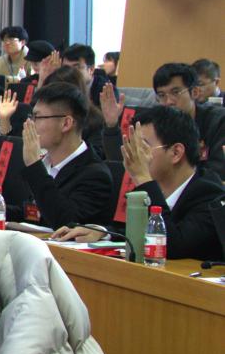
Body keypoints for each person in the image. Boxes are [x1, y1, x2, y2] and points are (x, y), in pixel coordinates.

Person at [53, 107, 225, 260]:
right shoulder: (152, 187)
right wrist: (104, 233)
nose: (132, 154)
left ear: (176, 153)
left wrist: (143, 178)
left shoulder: (209, 193)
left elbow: (172, 245)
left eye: (142, 146)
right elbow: (138, 232)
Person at [103, 62, 225, 181]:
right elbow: (126, 164)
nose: (168, 101)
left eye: (175, 92)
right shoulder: (153, 123)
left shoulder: (218, 121)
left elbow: (217, 172)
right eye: (161, 95)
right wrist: (111, 125)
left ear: (195, 92)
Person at [15, 82, 114, 228]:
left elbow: (64, 222)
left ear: (66, 123)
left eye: (37, 117)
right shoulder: (46, 162)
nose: (30, 123)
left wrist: (34, 167)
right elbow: (36, 214)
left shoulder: (95, 175)